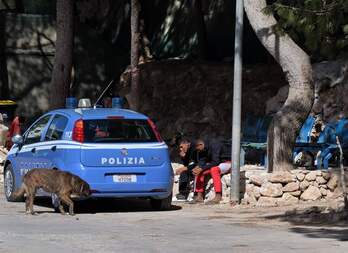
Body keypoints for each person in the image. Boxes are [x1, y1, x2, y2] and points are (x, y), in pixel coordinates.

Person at [191, 138, 231, 205]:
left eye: (198, 149)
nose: (198, 151)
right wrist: (198, 168)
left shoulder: (215, 145)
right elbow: (202, 161)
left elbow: (216, 162)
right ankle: (199, 196)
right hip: (216, 164)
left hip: (227, 162)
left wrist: (202, 168)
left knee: (214, 170)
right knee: (199, 172)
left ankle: (218, 196)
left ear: (200, 145)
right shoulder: (202, 149)